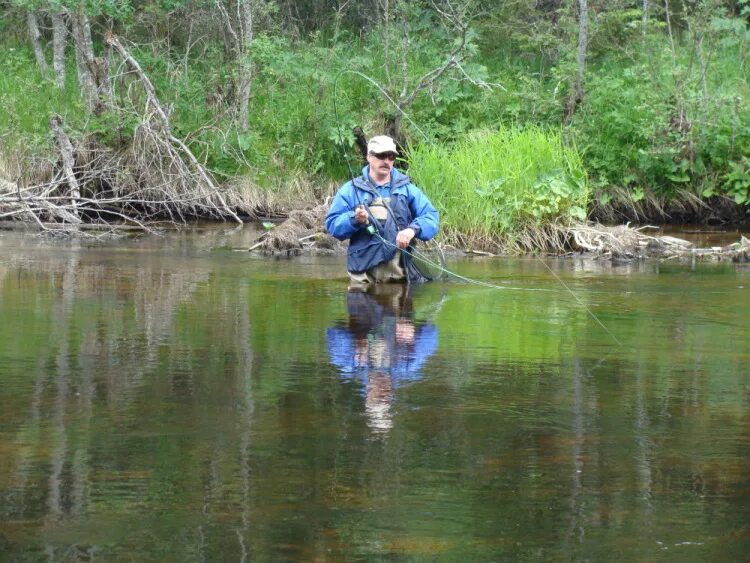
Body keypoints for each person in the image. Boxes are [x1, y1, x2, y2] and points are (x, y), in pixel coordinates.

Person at [325, 135, 439, 285]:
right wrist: (354, 219)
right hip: (362, 277)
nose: (386, 161)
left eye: (391, 156)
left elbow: (431, 217)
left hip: (401, 276)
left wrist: (412, 230)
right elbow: (333, 225)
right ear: (369, 156)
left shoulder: (408, 190)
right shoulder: (350, 190)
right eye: (381, 155)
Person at [326, 284, 438, 433]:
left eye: (378, 398)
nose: (383, 395)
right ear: (392, 397)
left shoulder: (351, 366)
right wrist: (412, 333)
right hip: (398, 292)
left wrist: (355, 344)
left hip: (362, 290)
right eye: (386, 400)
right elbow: (432, 332)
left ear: (368, 397)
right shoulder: (407, 366)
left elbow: (331, 332)